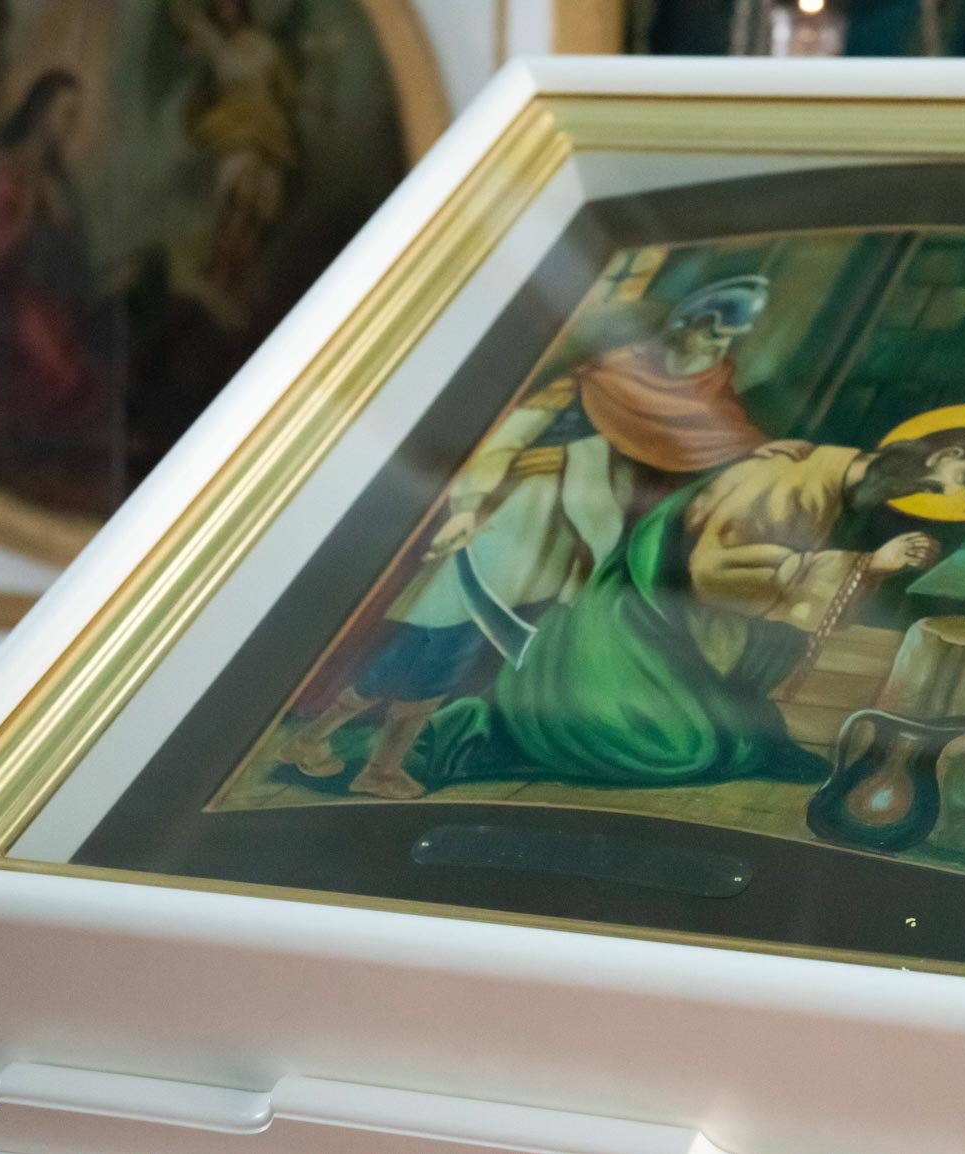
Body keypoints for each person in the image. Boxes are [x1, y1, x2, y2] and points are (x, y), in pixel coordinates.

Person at [276, 276, 774, 797]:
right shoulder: (597, 380)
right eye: (712, 335)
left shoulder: (696, 401)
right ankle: (371, 764)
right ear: (686, 325)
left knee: (439, 646)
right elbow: (505, 442)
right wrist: (468, 508)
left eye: (726, 342)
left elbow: (705, 452)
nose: (717, 350)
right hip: (508, 523)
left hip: (558, 542)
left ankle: (324, 745)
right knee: (440, 642)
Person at [356, 420, 965, 798]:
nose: (946, 497)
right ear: (946, 452)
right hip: (627, 626)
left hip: (671, 623)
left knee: (740, 736)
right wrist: (866, 565)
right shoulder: (791, 482)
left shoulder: (824, 473)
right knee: (679, 749)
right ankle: (469, 733)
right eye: (962, 480)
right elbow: (712, 575)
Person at [0, 70, 106, 476]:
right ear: (41, 111)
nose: (69, 125)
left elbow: (73, 262)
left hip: (40, 296)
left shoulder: (56, 181)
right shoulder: (4, 167)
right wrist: (30, 211)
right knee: (56, 367)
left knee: (79, 366)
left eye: (75, 115)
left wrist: (62, 228)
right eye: (66, 113)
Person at [173, 0, 300, 302]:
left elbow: (285, 89)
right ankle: (219, 272)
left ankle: (238, 277)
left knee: (261, 208)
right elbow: (185, 25)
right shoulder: (216, 44)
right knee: (238, 201)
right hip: (235, 135)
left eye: (230, 4)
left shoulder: (265, 46)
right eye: (220, 7)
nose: (225, 11)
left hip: (270, 136)